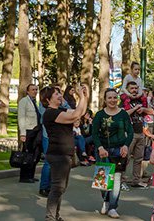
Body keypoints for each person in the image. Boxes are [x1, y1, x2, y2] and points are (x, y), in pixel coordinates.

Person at [41, 84, 89, 221]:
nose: (60, 95)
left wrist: (84, 96)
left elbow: (80, 112)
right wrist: (80, 96)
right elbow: (75, 115)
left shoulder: (60, 110)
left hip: (65, 155)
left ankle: (55, 215)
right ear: (48, 99)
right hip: (57, 154)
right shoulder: (50, 113)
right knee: (57, 188)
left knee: (61, 188)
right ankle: (50, 217)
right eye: (56, 94)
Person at [91, 88, 135, 219]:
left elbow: (130, 132)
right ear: (105, 100)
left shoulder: (123, 114)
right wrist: (99, 147)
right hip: (103, 150)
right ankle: (106, 201)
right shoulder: (99, 115)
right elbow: (94, 133)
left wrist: (126, 146)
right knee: (103, 180)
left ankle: (113, 207)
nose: (112, 100)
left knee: (116, 179)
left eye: (115, 97)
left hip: (118, 150)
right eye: (109, 98)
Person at [17, 84, 41, 183]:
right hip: (28, 130)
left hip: (36, 130)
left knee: (35, 153)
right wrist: (22, 134)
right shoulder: (24, 102)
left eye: (36, 90)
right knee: (27, 154)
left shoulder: (35, 102)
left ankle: (31, 174)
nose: (35, 91)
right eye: (32, 90)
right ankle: (24, 176)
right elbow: (21, 117)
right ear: (27, 91)